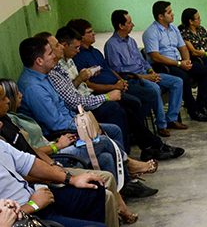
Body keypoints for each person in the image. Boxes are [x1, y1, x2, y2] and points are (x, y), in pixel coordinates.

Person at [0, 79, 145, 225]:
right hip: (28, 211)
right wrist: (32, 205)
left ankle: (123, 194)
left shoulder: (6, 127)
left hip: (37, 192)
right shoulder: (33, 88)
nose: (9, 99)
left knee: (97, 183)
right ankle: (128, 166)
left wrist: (69, 177)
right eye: (3, 98)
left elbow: (29, 160)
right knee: (104, 141)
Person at [48, 29, 183, 162]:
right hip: (81, 108)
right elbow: (74, 100)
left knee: (132, 105)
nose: (59, 47)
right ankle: (130, 154)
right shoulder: (55, 70)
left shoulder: (72, 60)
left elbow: (106, 71)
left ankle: (148, 146)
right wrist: (105, 93)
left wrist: (118, 82)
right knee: (117, 108)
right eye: (56, 46)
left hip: (91, 95)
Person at [104, 9, 186, 136]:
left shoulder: (131, 41)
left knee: (177, 81)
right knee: (154, 88)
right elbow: (119, 71)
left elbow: (142, 61)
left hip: (145, 73)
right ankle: (161, 124)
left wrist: (150, 71)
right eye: (129, 23)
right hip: (133, 78)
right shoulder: (111, 45)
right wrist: (146, 77)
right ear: (121, 26)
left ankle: (172, 118)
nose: (133, 25)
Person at [0, 136, 107, 227]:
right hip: (25, 215)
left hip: (37, 197)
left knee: (94, 187)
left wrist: (71, 179)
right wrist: (32, 205)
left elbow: (29, 163)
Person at [142, 1, 207, 121]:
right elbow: (155, 56)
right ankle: (193, 110)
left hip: (179, 62)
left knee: (205, 71)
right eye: (169, 12)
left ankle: (202, 106)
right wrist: (179, 64)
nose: (173, 14)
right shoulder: (151, 32)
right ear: (160, 16)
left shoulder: (173, 28)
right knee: (183, 78)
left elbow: (183, 47)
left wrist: (187, 61)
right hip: (164, 65)